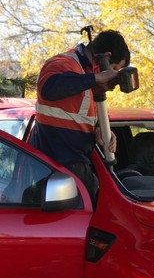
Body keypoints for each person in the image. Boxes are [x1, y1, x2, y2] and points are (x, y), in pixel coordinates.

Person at [30, 29, 130, 203]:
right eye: (114, 69)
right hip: (55, 167)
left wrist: (99, 128)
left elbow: (81, 112)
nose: (113, 75)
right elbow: (48, 88)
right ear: (107, 56)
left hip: (75, 162)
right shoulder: (64, 62)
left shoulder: (87, 74)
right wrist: (97, 77)